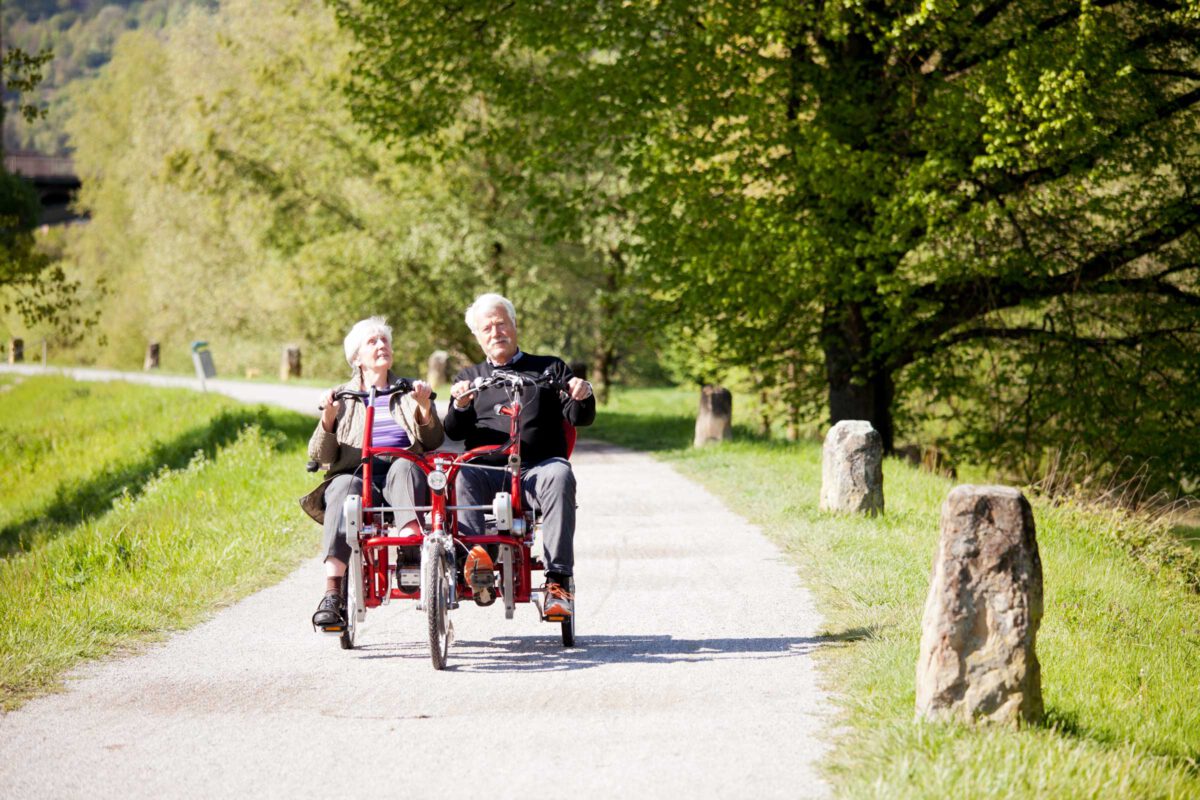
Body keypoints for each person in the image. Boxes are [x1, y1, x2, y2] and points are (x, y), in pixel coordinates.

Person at [445, 293, 595, 618]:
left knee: (561, 473)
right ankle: (478, 558)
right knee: (463, 472)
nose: (496, 332)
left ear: (514, 325)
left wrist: (582, 395)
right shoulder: (469, 378)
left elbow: (579, 417)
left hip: (538, 470)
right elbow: (454, 431)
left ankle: (558, 581)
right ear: (478, 336)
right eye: (487, 328)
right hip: (487, 471)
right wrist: (460, 404)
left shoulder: (550, 368)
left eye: (502, 324)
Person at [300, 316, 443, 631]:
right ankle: (332, 593)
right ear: (356, 358)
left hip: (401, 469)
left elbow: (433, 442)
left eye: (385, 341)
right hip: (356, 473)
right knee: (339, 489)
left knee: (406, 465)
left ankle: (408, 553)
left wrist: (423, 408)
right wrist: (329, 418)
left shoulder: (408, 390)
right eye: (373, 342)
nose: (382, 346)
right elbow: (321, 456)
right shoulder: (341, 397)